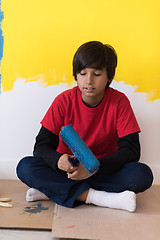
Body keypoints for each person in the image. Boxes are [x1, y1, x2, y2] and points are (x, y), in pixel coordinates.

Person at [16, 41, 153, 212]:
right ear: (76, 76)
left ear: (109, 77)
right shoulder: (63, 101)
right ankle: (99, 197)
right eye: (82, 73)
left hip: (103, 168)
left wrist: (94, 169)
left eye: (96, 74)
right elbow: (41, 146)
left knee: (142, 174)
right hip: (69, 169)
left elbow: (131, 150)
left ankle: (53, 190)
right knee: (25, 167)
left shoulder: (119, 102)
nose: (88, 80)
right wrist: (58, 160)